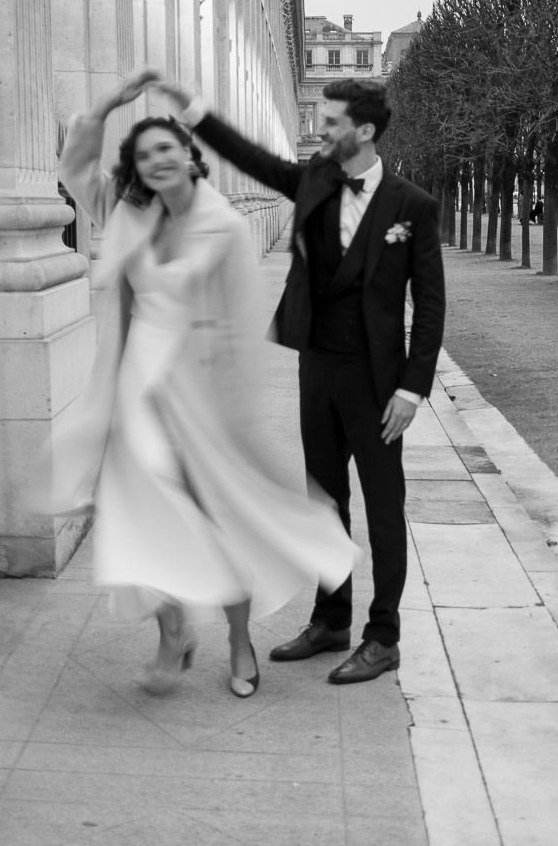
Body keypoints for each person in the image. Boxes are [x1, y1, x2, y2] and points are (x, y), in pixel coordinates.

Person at [50, 68, 357, 699]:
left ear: (192, 157)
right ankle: (172, 631)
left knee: (218, 519)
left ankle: (239, 641)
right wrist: (111, 102)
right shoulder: (130, 211)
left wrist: (239, 422)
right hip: (134, 390)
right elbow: (76, 167)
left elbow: (240, 333)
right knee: (132, 517)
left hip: (199, 398)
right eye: (143, 155)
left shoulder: (225, 227)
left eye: (167, 149)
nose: (157, 161)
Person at [152, 75, 445, 685]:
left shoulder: (411, 206)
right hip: (319, 367)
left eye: (334, 121)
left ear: (364, 132)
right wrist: (191, 110)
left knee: (385, 510)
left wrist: (411, 390)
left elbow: (432, 305)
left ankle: (382, 636)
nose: (324, 127)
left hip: (378, 383)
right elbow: (250, 158)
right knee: (324, 503)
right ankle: (331, 619)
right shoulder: (315, 178)